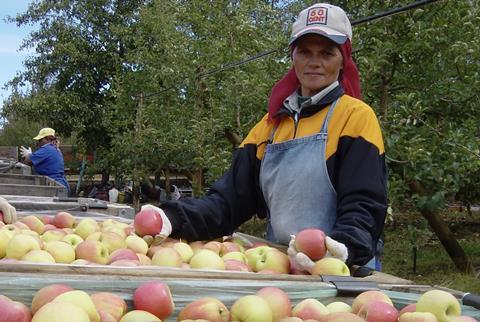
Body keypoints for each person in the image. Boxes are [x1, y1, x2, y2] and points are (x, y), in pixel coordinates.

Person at [145, 2, 387, 272]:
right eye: (305, 51)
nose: (314, 61)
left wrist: (344, 247)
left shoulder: (355, 117)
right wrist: (172, 217)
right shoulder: (270, 127)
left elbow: (364, 204)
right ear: (292, 56)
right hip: (284, 267)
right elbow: (228, 203)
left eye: (327, 53)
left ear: (343, 59)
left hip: (343, 272)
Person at [20, 127, 70, 193]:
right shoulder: (55, 149)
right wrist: (31, 155)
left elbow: (27, 162)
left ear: (47, 139)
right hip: (60, 185)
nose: (39, 142)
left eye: (40, 140)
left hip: (54, 186)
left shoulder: (47, 149)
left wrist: (28, 155)